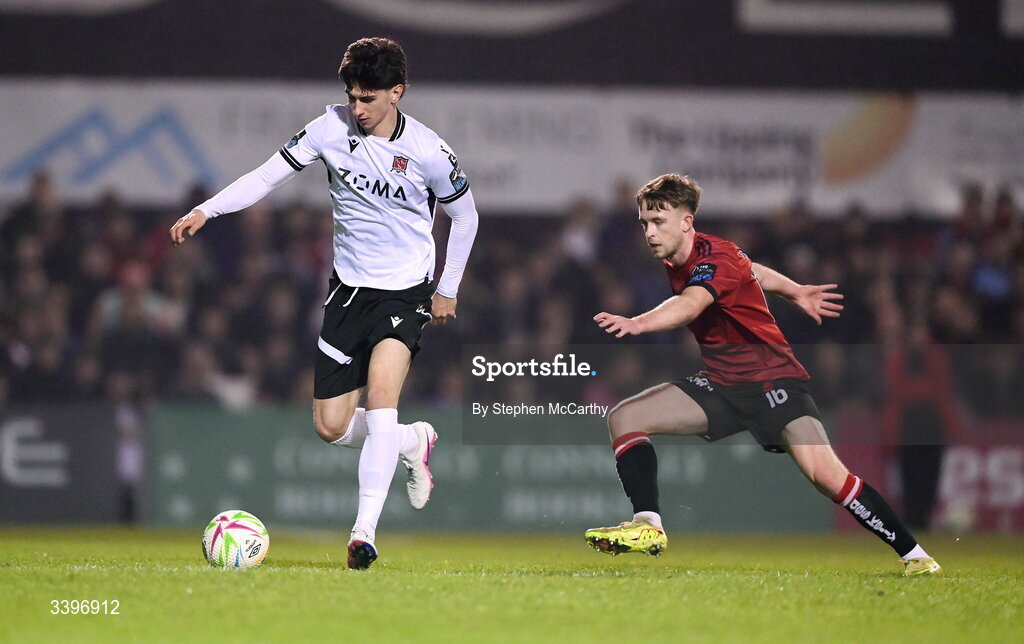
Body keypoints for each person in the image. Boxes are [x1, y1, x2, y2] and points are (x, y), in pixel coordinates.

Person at [169, 37, 479, 570]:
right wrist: (208, 210)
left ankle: (363, 533)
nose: (356, 109)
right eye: (352, 97)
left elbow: (466, 216)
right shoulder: (329, 128)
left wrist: (447, 287)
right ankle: (412, 443)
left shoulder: (430, 151)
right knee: (331, 427)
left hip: (404, 292)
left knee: (382, 403)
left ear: (396, 93)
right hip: (347, 293)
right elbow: (266, 176)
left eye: (367, 99)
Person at [583, 174, 940, 576]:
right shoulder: (686, 256)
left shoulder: (712, 259)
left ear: (686, 222)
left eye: (658, 222)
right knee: (625, 417)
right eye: (644, 222)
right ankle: (648, 526)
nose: (649, 232)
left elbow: (690, 305)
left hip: (774, 383)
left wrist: (638, 323)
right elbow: (753, 270)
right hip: (722, 384)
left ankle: (917, 557)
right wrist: (795, 290)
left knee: (829, 478)